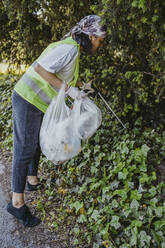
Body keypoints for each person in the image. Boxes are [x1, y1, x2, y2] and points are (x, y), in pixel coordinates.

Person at [6, 15, 106, 227]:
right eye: (100, 39)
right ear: (90, 36)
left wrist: (83, 85)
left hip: (39, 103)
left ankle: (32, 180)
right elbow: (41, 70)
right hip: (27, 99)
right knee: (24, 149)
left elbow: (65, 76)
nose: (100, 44)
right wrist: (70, 90)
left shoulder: (73, 51)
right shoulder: (69, 48)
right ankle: (17, 204)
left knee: (34, 145)